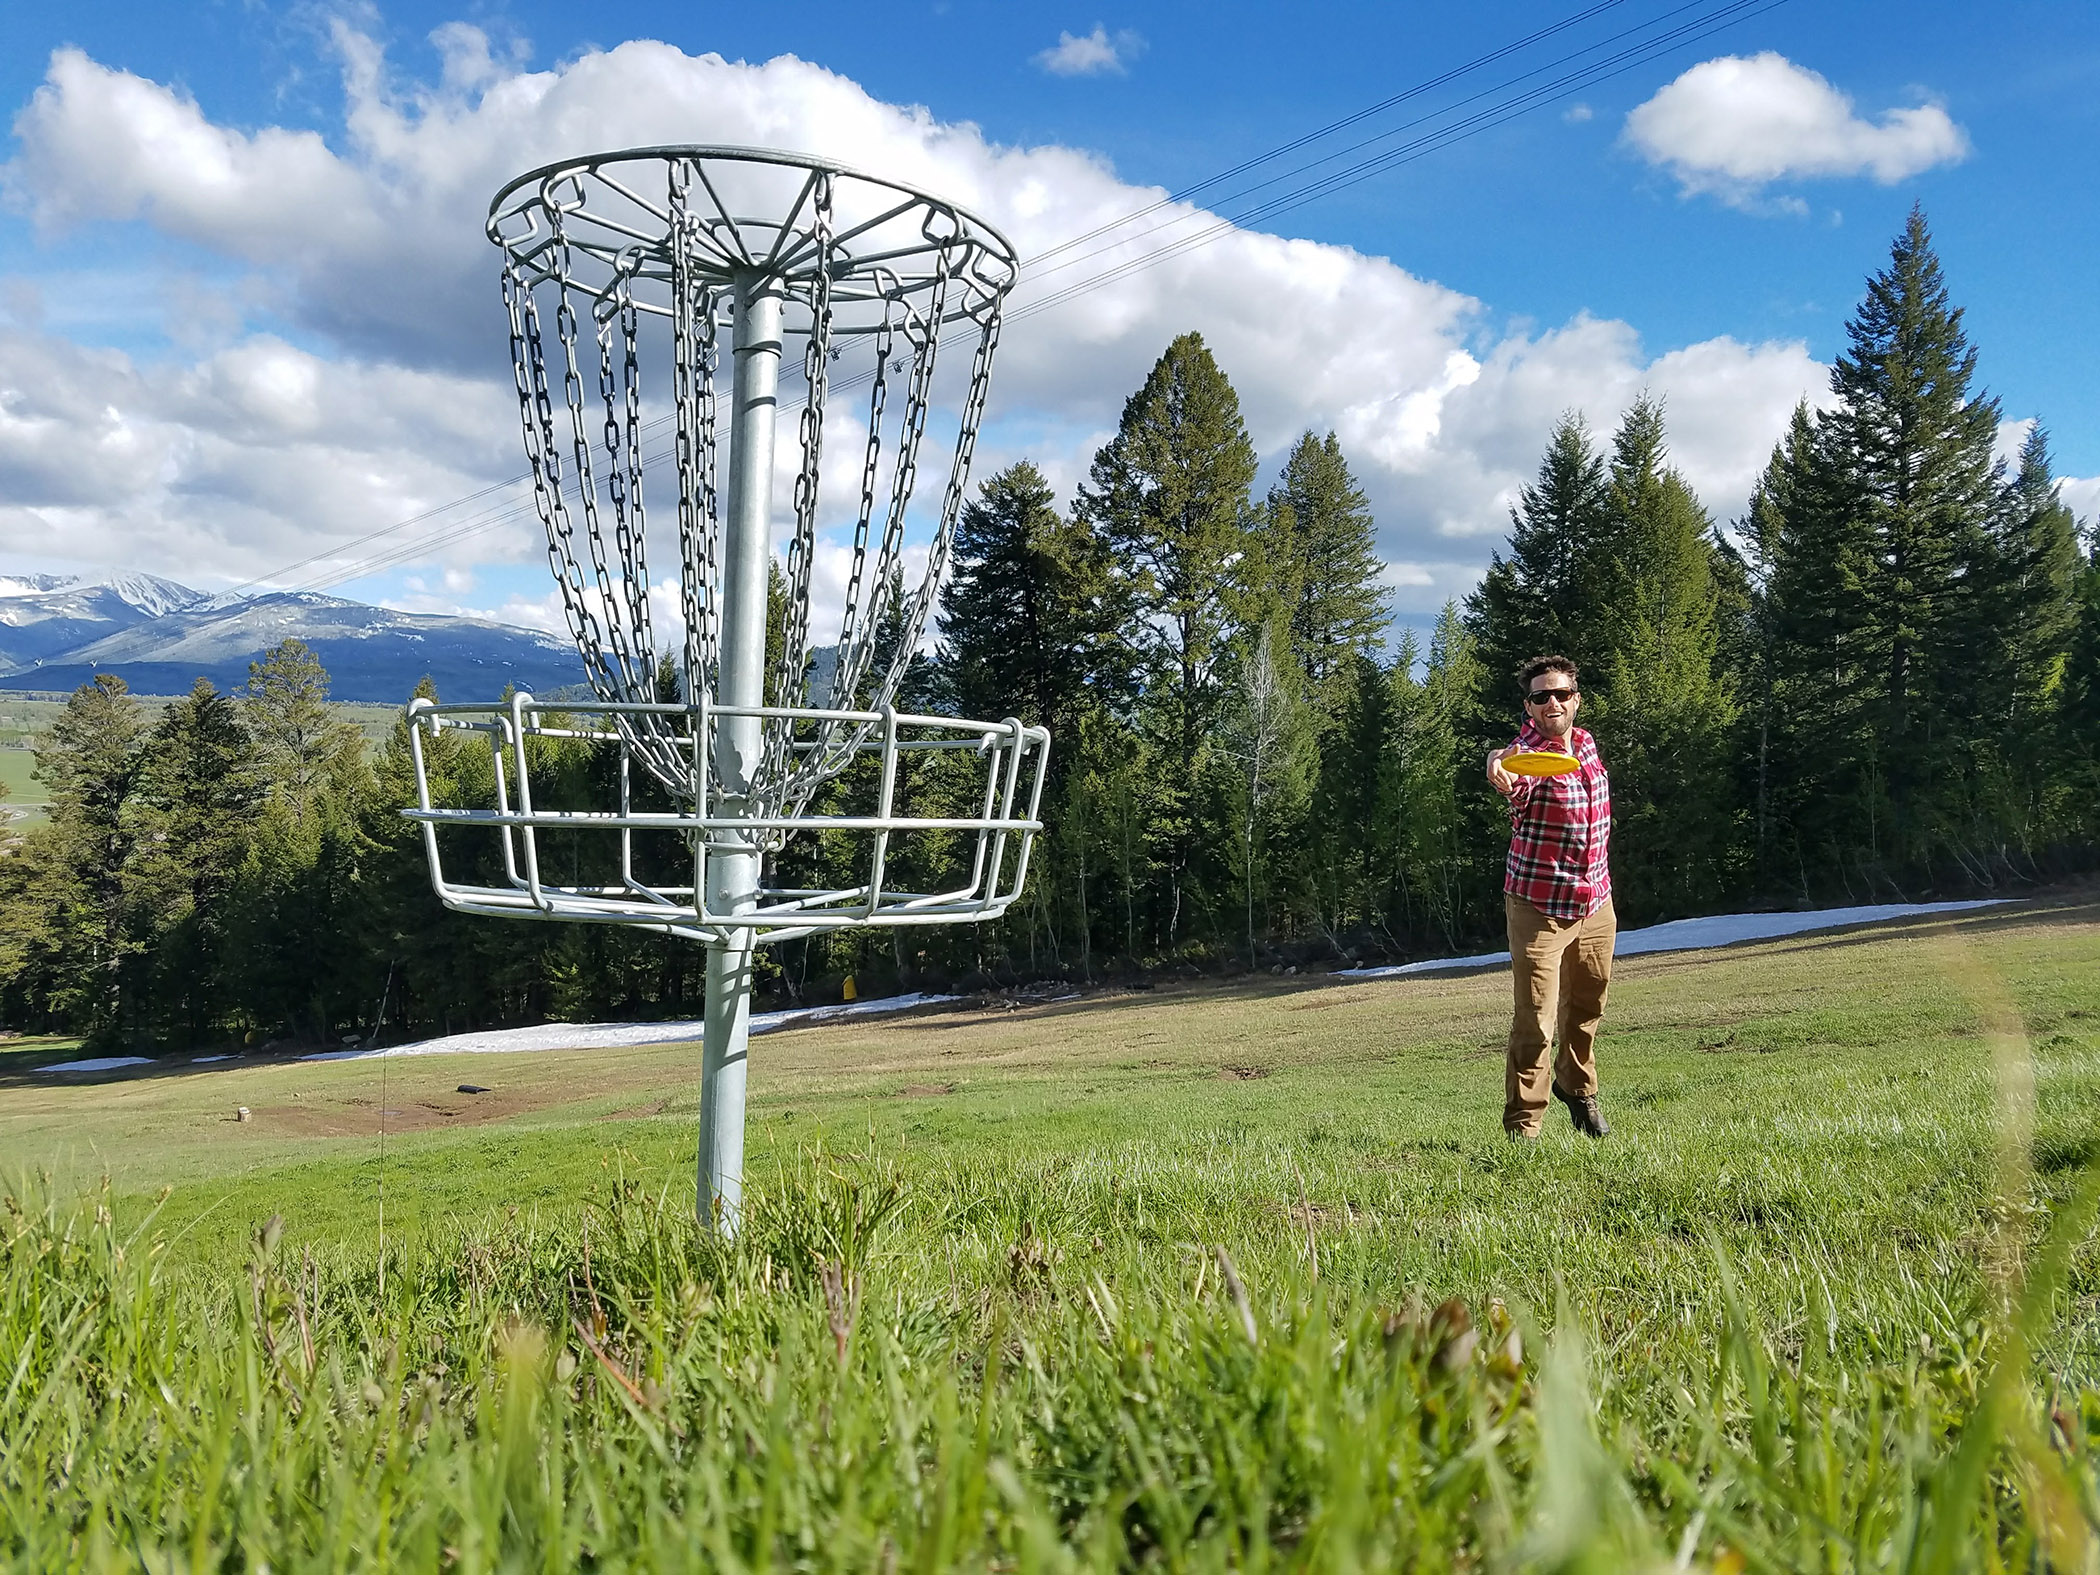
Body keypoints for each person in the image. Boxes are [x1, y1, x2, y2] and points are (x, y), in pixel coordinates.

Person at [1485, 654, 1613, 1139]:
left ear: (1576, 700)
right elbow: (1508, 767)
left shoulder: (1585, 744)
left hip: (1597, 903)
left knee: (1586, 1009)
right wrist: (1497, 763)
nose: (1552, 702)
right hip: (1539, 908)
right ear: (1530, 706)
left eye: (1561, 693)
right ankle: (1524, 1126)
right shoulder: (1527, 756)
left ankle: (1578, 1090)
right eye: (1542, 696)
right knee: (1536, 1021)